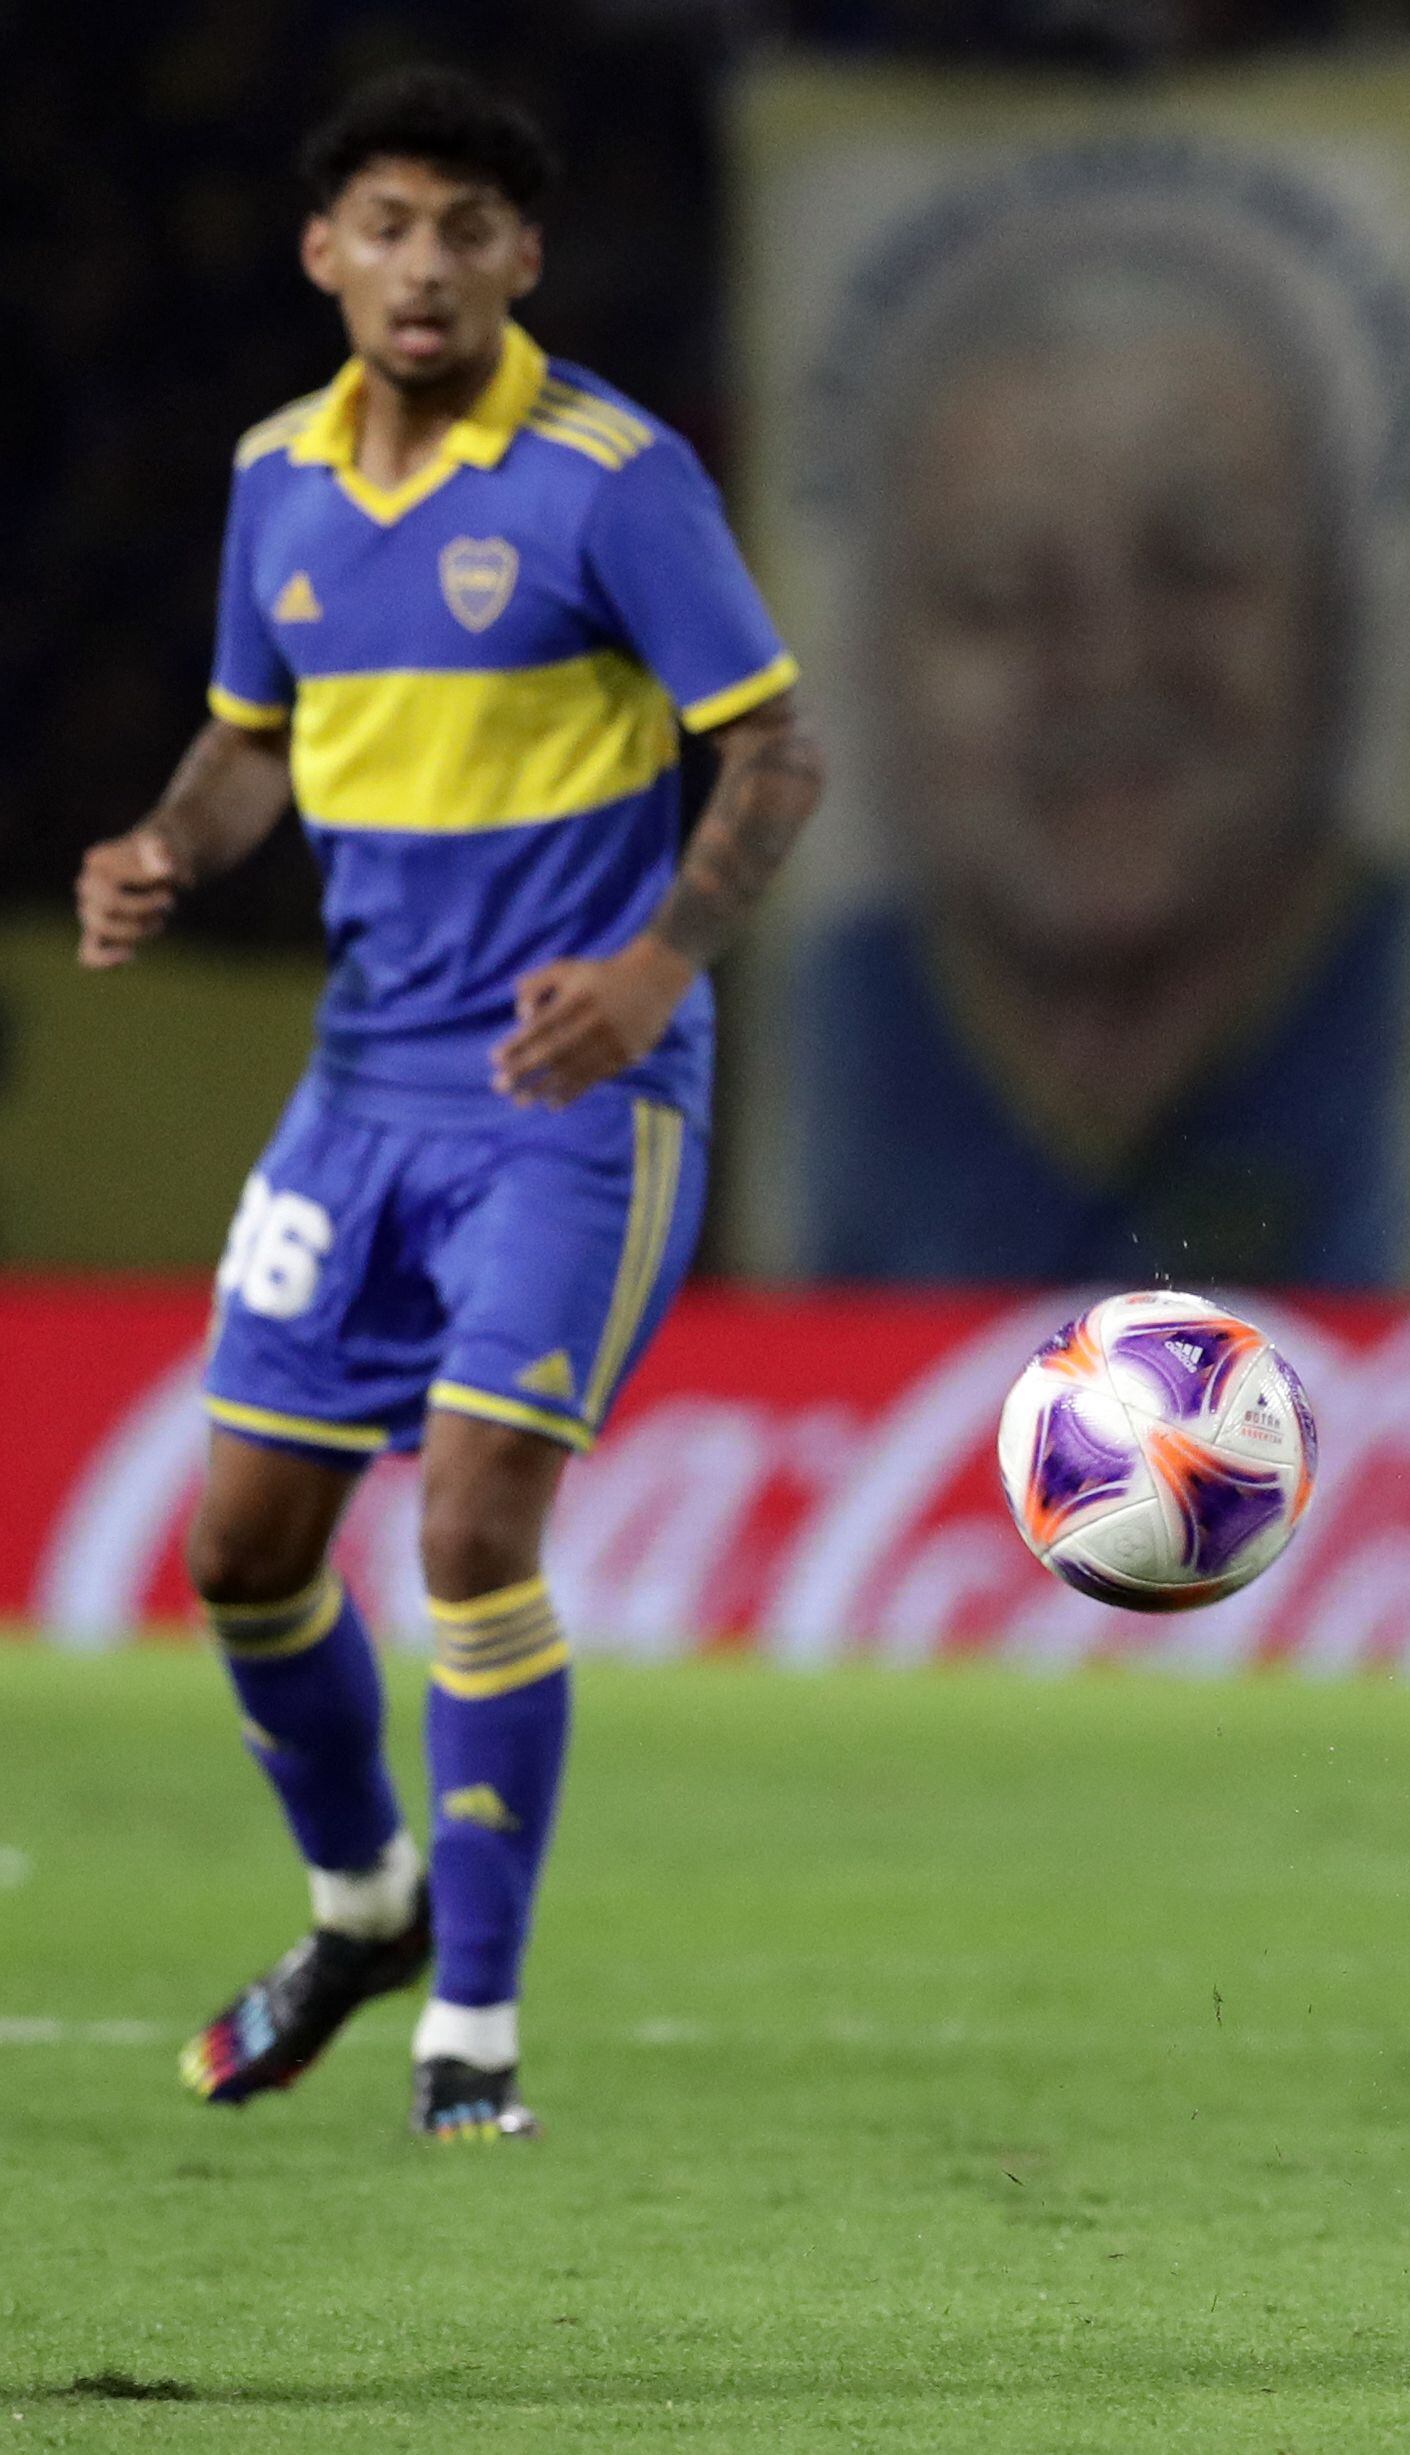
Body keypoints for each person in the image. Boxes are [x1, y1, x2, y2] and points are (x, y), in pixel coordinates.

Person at [71, 69, 822, 2141]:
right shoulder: (274, 483)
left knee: (478, 1515)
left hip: (576, 1091)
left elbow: (775, 757)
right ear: (326, 253)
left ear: (526, 259)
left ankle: (468, 2039)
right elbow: (251, 747)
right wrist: (160, 842)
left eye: (468, 227)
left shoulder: (609, 481)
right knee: (242, 1550)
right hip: (359, 1091)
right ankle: (364, 1904)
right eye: (389, 223)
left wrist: (660, 961)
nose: (426, 263)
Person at [789, 179, 1410, 1283]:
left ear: (1334, 617)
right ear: (876, 663)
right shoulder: (798, 1041)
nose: (1112, 664)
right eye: (997, 592)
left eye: (1202, 565)